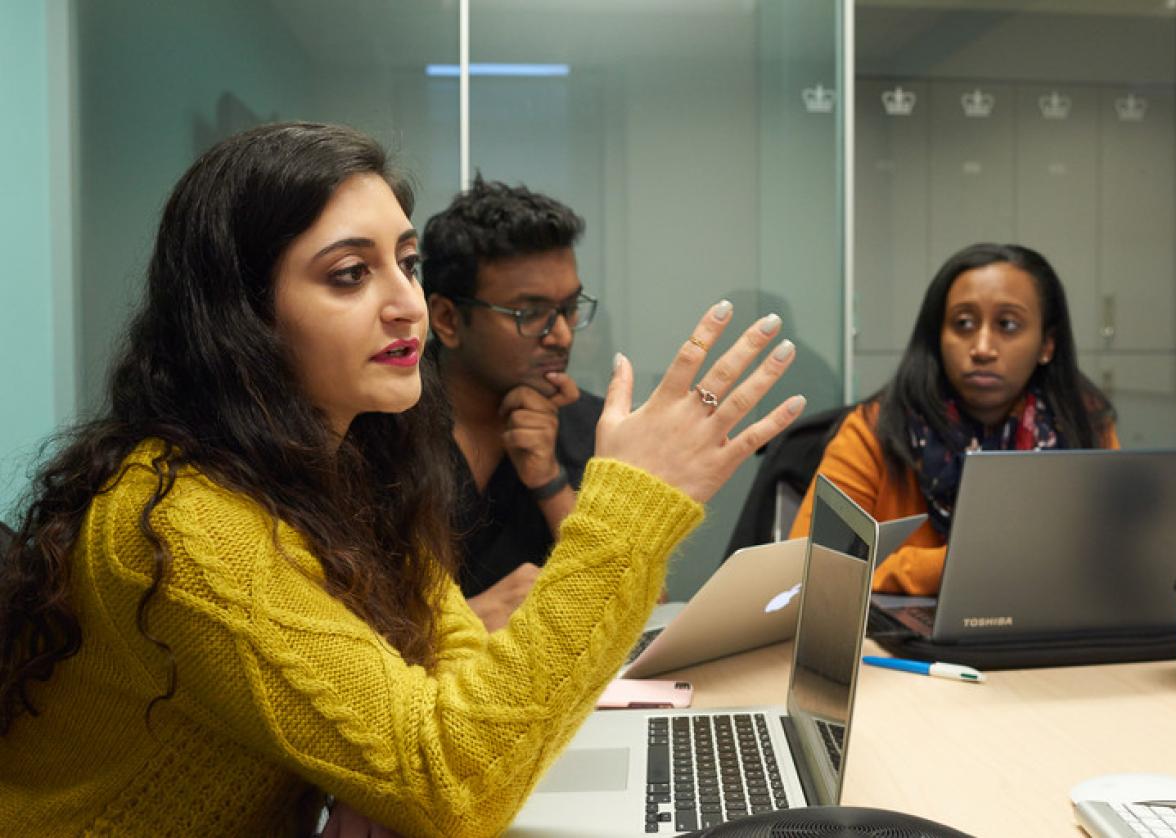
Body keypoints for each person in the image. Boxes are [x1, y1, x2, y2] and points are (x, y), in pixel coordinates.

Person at [0, 122, 805, 837]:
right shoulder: (181, 519)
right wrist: (629, 511)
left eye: (408, 263)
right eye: (351, 274)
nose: (409, 306)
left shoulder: (352, 459)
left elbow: (443, 651)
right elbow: (449, 781)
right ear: (242, 318)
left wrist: (392, 773)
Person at [790, 242, 1116, 595]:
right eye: (963, 324)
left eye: (1007, 325)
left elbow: (1115, 554)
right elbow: (809, 565)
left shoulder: (1085, 425)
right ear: (938, 337)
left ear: (1046, 345)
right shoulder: (875, 428)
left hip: (1051, 632)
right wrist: (955, 567)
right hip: (900, 642)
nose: (982, 348)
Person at [420, 179, 603, 632]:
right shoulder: (376, 428)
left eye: (570, 307)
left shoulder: (592, 426)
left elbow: (645, 605)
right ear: (447, 320)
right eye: (529, 314)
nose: (561, 335)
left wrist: (549, 482)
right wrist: (462, 626)